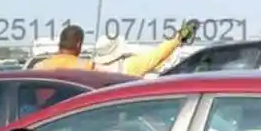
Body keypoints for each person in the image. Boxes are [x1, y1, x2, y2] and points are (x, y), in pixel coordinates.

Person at [34, 20, 201, 76]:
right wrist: (178, 38)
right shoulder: (88, 69)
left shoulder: (38, 68)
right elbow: (154, 58)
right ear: (79, 45)